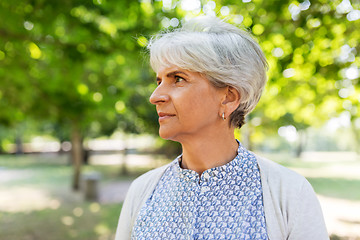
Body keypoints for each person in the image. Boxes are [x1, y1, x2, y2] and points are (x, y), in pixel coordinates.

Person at [115, 16, 328, 240]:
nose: (155, 96)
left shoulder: (290, 194)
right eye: (159, 81)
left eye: (177, 79)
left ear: (228, 98)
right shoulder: (142, 191)